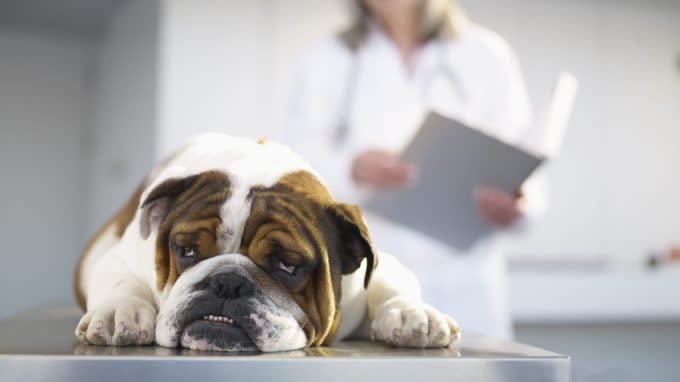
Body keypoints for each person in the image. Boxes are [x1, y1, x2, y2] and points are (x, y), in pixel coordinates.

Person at [282, 0, 547, 339]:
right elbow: (295, 167)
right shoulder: (328, 57)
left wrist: (517, 207)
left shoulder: (486, 55)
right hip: (375, 279)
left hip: (466, 280)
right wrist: (353, 169)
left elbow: (527, 174)